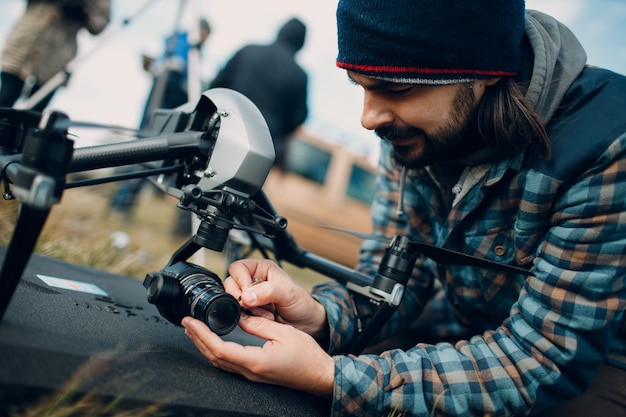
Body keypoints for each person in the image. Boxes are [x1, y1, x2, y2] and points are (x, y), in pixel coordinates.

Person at [182, 1, 626, 416]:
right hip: (465, 328)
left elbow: (542, 359)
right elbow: (394, 283)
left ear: (487, 71)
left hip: (598, 363)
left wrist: (329, 377)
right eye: (360, 86)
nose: (368, 118)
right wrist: (320, 318)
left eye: (395, 88)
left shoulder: (606, 142)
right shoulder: (411, 132)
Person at [110, 18, 211, 225]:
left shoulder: (178, 44)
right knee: (142, 158)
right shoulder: (184, 47)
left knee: (142, 158)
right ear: (201, 32)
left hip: (157, 113)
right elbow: (174, 82)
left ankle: (122, 204)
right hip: (162, 116)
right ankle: (121, 204)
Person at [209, 17, 308, 172]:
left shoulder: (248, 50)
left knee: (208, 177)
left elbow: (217, 84)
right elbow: (299, 116)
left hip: (226, 130)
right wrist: (277, 132)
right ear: (301, 44)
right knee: (242, 191)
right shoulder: (299, 75)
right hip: (262, 145)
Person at [0, 0, 111, 112]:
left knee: (33, 115)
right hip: (22, 49)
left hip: (56, 61)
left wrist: (83, 10)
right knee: (5, 99)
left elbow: (99, 25)